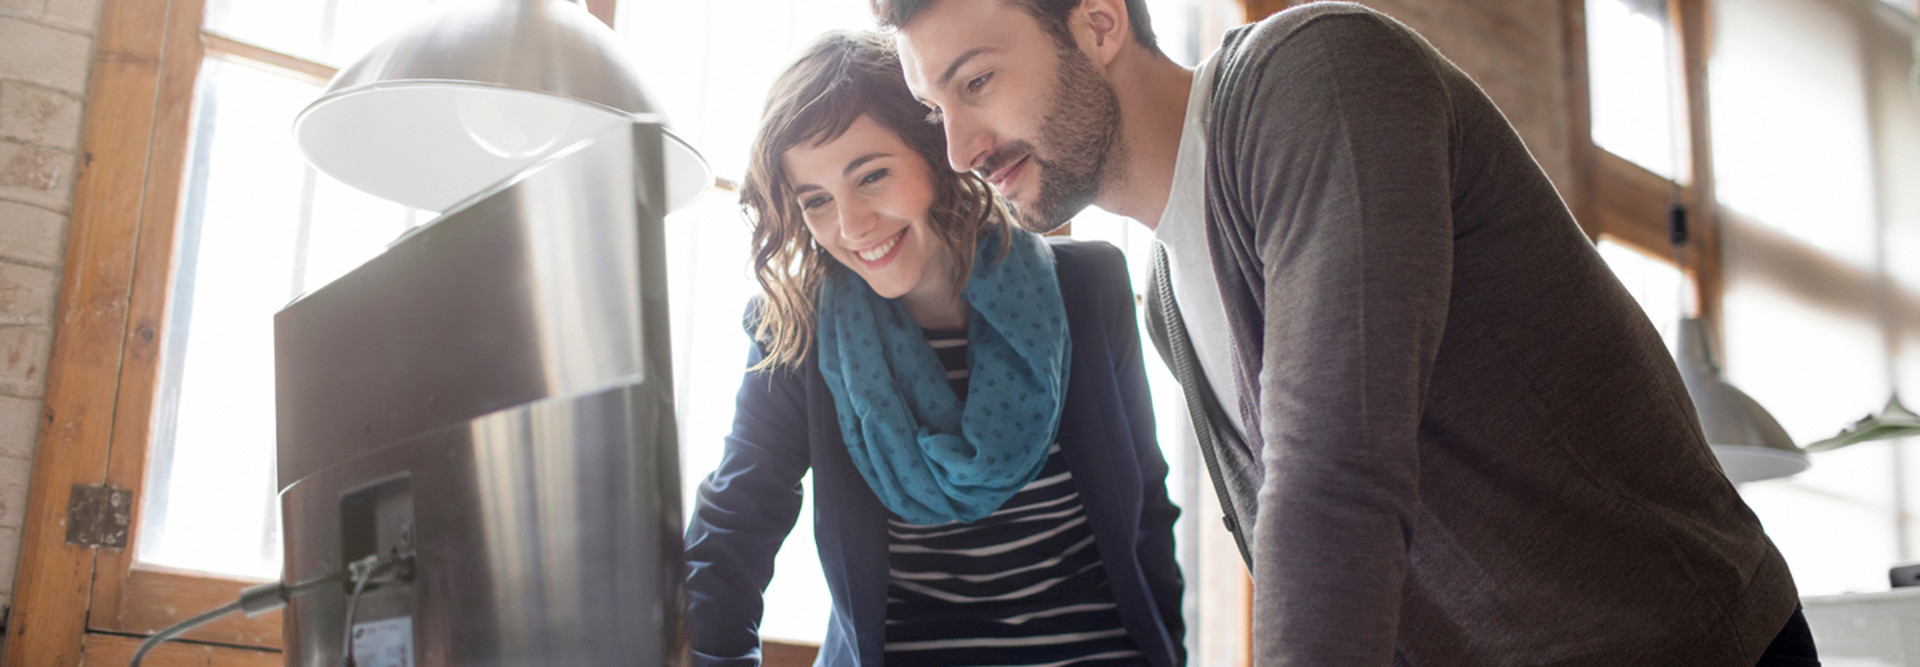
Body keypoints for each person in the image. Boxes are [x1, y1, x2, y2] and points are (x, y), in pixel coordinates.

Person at [878, 0, 1818, 665]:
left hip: (1689, 646)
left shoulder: (1319, 74)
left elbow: (1336, 473)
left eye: (978, 80)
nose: (959, 149)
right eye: (936, 109)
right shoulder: (1168, 292)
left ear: (1099, 20)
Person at [681, 30, 1184, 667]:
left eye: (872, 176)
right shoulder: (797, 330)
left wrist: (1170, 650)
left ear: (935, 152)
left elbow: (1145, 503)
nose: (852, 225)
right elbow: (733, 529)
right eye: (816, 201)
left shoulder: (1087, 287)